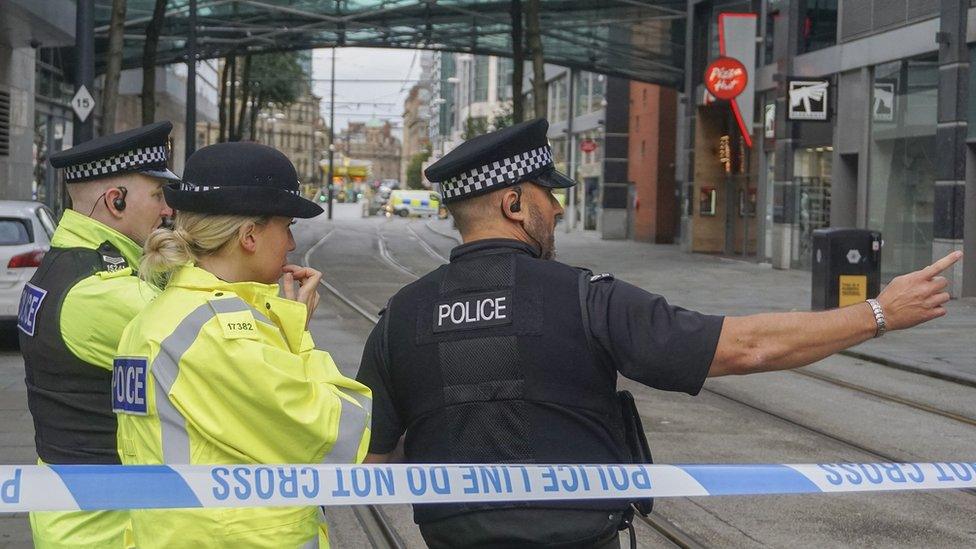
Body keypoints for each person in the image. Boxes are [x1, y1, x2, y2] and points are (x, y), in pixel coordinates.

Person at [356, 118, 962, 548]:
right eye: (547, 196)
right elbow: (743, 347)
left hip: (452, 537)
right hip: (577, 538)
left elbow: (373, 456)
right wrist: (878, 313)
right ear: (515, 202)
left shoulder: (400, 316)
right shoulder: (585, 297)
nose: (559, 210)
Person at [113, 142, 371, 548]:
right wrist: (299, 334)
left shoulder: (154, 318)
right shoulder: (219, 333)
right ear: (249, 235)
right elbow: (343, 436)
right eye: (287, 227)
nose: (290, 244)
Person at [19, 121, 179, 549]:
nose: (168, 211)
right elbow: (217, 345)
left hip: (80, 518)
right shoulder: (101, 291)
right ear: (116, 200)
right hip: (104, 528)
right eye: (159, 196)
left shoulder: (68, 263)